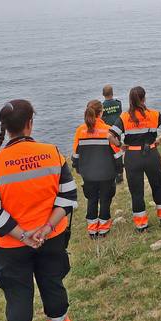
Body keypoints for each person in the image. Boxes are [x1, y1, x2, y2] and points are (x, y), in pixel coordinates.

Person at [0, 99, 78, 321]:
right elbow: (68, 196)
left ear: (6, 128)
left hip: (12, 245)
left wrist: (23, 235)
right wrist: (45, 229)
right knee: (53, 281)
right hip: (51, 237)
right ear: (30, 123)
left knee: (19, 294)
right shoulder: (52, 153)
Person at [112, 86, 161, 231]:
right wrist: (159, 140)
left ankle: (141, 225)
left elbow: (111, 135)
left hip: (133, 157)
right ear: (144, 98)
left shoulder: (125, 117)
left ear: (130, 100)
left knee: (137, 191)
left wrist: (120, 145)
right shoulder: (153, 114)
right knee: (158, 185)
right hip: (151, 154)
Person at [72, 100, 123, 238]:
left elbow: (75, 155)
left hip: (88, 173)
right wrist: (119, 170)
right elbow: (117, 153)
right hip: (107, 173)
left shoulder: (80, 131)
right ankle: (104, 229)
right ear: (101, 113)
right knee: (105, 199)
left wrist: (77, 168)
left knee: (92, 199)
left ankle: (92, 230)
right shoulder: (108, 130)